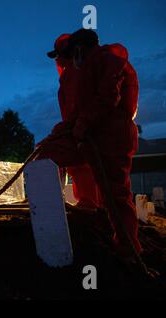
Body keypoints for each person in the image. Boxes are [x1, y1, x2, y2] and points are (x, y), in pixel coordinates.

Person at [38, 29, 141, 254]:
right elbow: (77, 113)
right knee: (45, 154)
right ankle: (55, 224)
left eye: (65, 55)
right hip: (94, 135)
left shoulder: (108, 62)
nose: (64, 61)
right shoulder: (86, 69)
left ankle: (128, 249)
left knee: (117, 195)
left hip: (112, 137)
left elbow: (107, 99)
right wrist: (60, 132)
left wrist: (81, 125)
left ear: (78, 49)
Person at [47, 34, 101, 209]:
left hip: (84, 132)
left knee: (45, 158)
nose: (57, 60)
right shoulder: (75, 73)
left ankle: (52, 206)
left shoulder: (74, 73)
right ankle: (93, 203)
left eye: (59, 55)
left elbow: (77, 108)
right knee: (85, 166)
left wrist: (68, 128)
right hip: (82, 130)